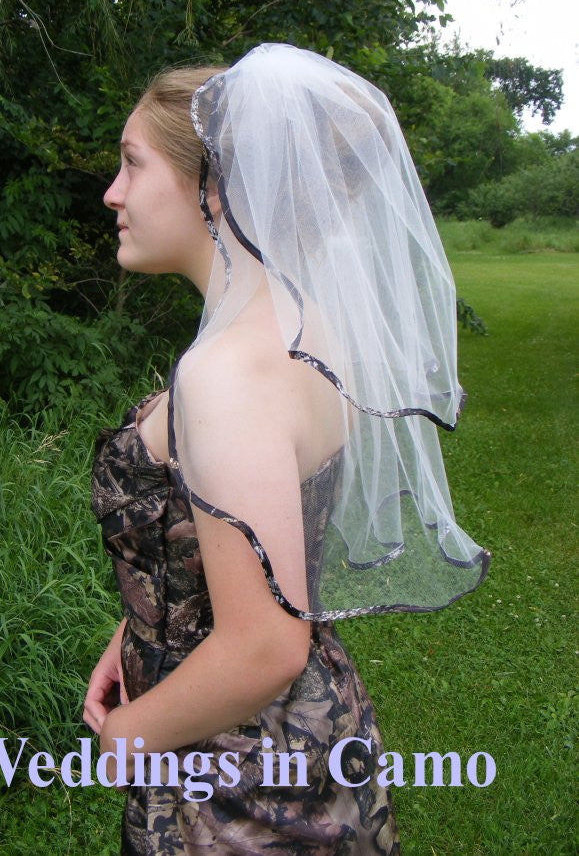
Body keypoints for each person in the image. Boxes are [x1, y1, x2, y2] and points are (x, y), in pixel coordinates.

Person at [85, 44, 489, 854]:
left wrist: (123, 737)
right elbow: (243, 547)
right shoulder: (299, 325)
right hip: (299, 735)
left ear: (212, 185)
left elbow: (265, 645)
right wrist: (134, 634)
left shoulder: (228, 371)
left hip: (238, 781)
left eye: (132, 164)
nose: (112, 193)